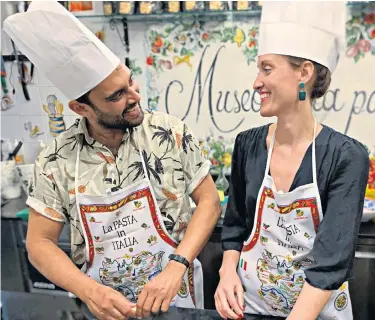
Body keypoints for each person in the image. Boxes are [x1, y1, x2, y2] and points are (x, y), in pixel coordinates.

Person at [4, 2, 221, 320]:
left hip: (179, 299)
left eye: (130, 83)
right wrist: (91, 292)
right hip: (105, 310)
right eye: (116, 95)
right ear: (82, 109)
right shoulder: (56, 160)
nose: (134, 97)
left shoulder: (168, 132)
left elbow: (210, 202)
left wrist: (177, 265)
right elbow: (39, 243)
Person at [214, 2, 369, 319]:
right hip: (250, 308)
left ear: (305, 72)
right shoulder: (248, 144)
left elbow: (331, 260)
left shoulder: (346, 155)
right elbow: (235, 226)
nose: (256, 82)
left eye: (267, 69)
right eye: (258, 70)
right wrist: (227, 272)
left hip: (316, 312)